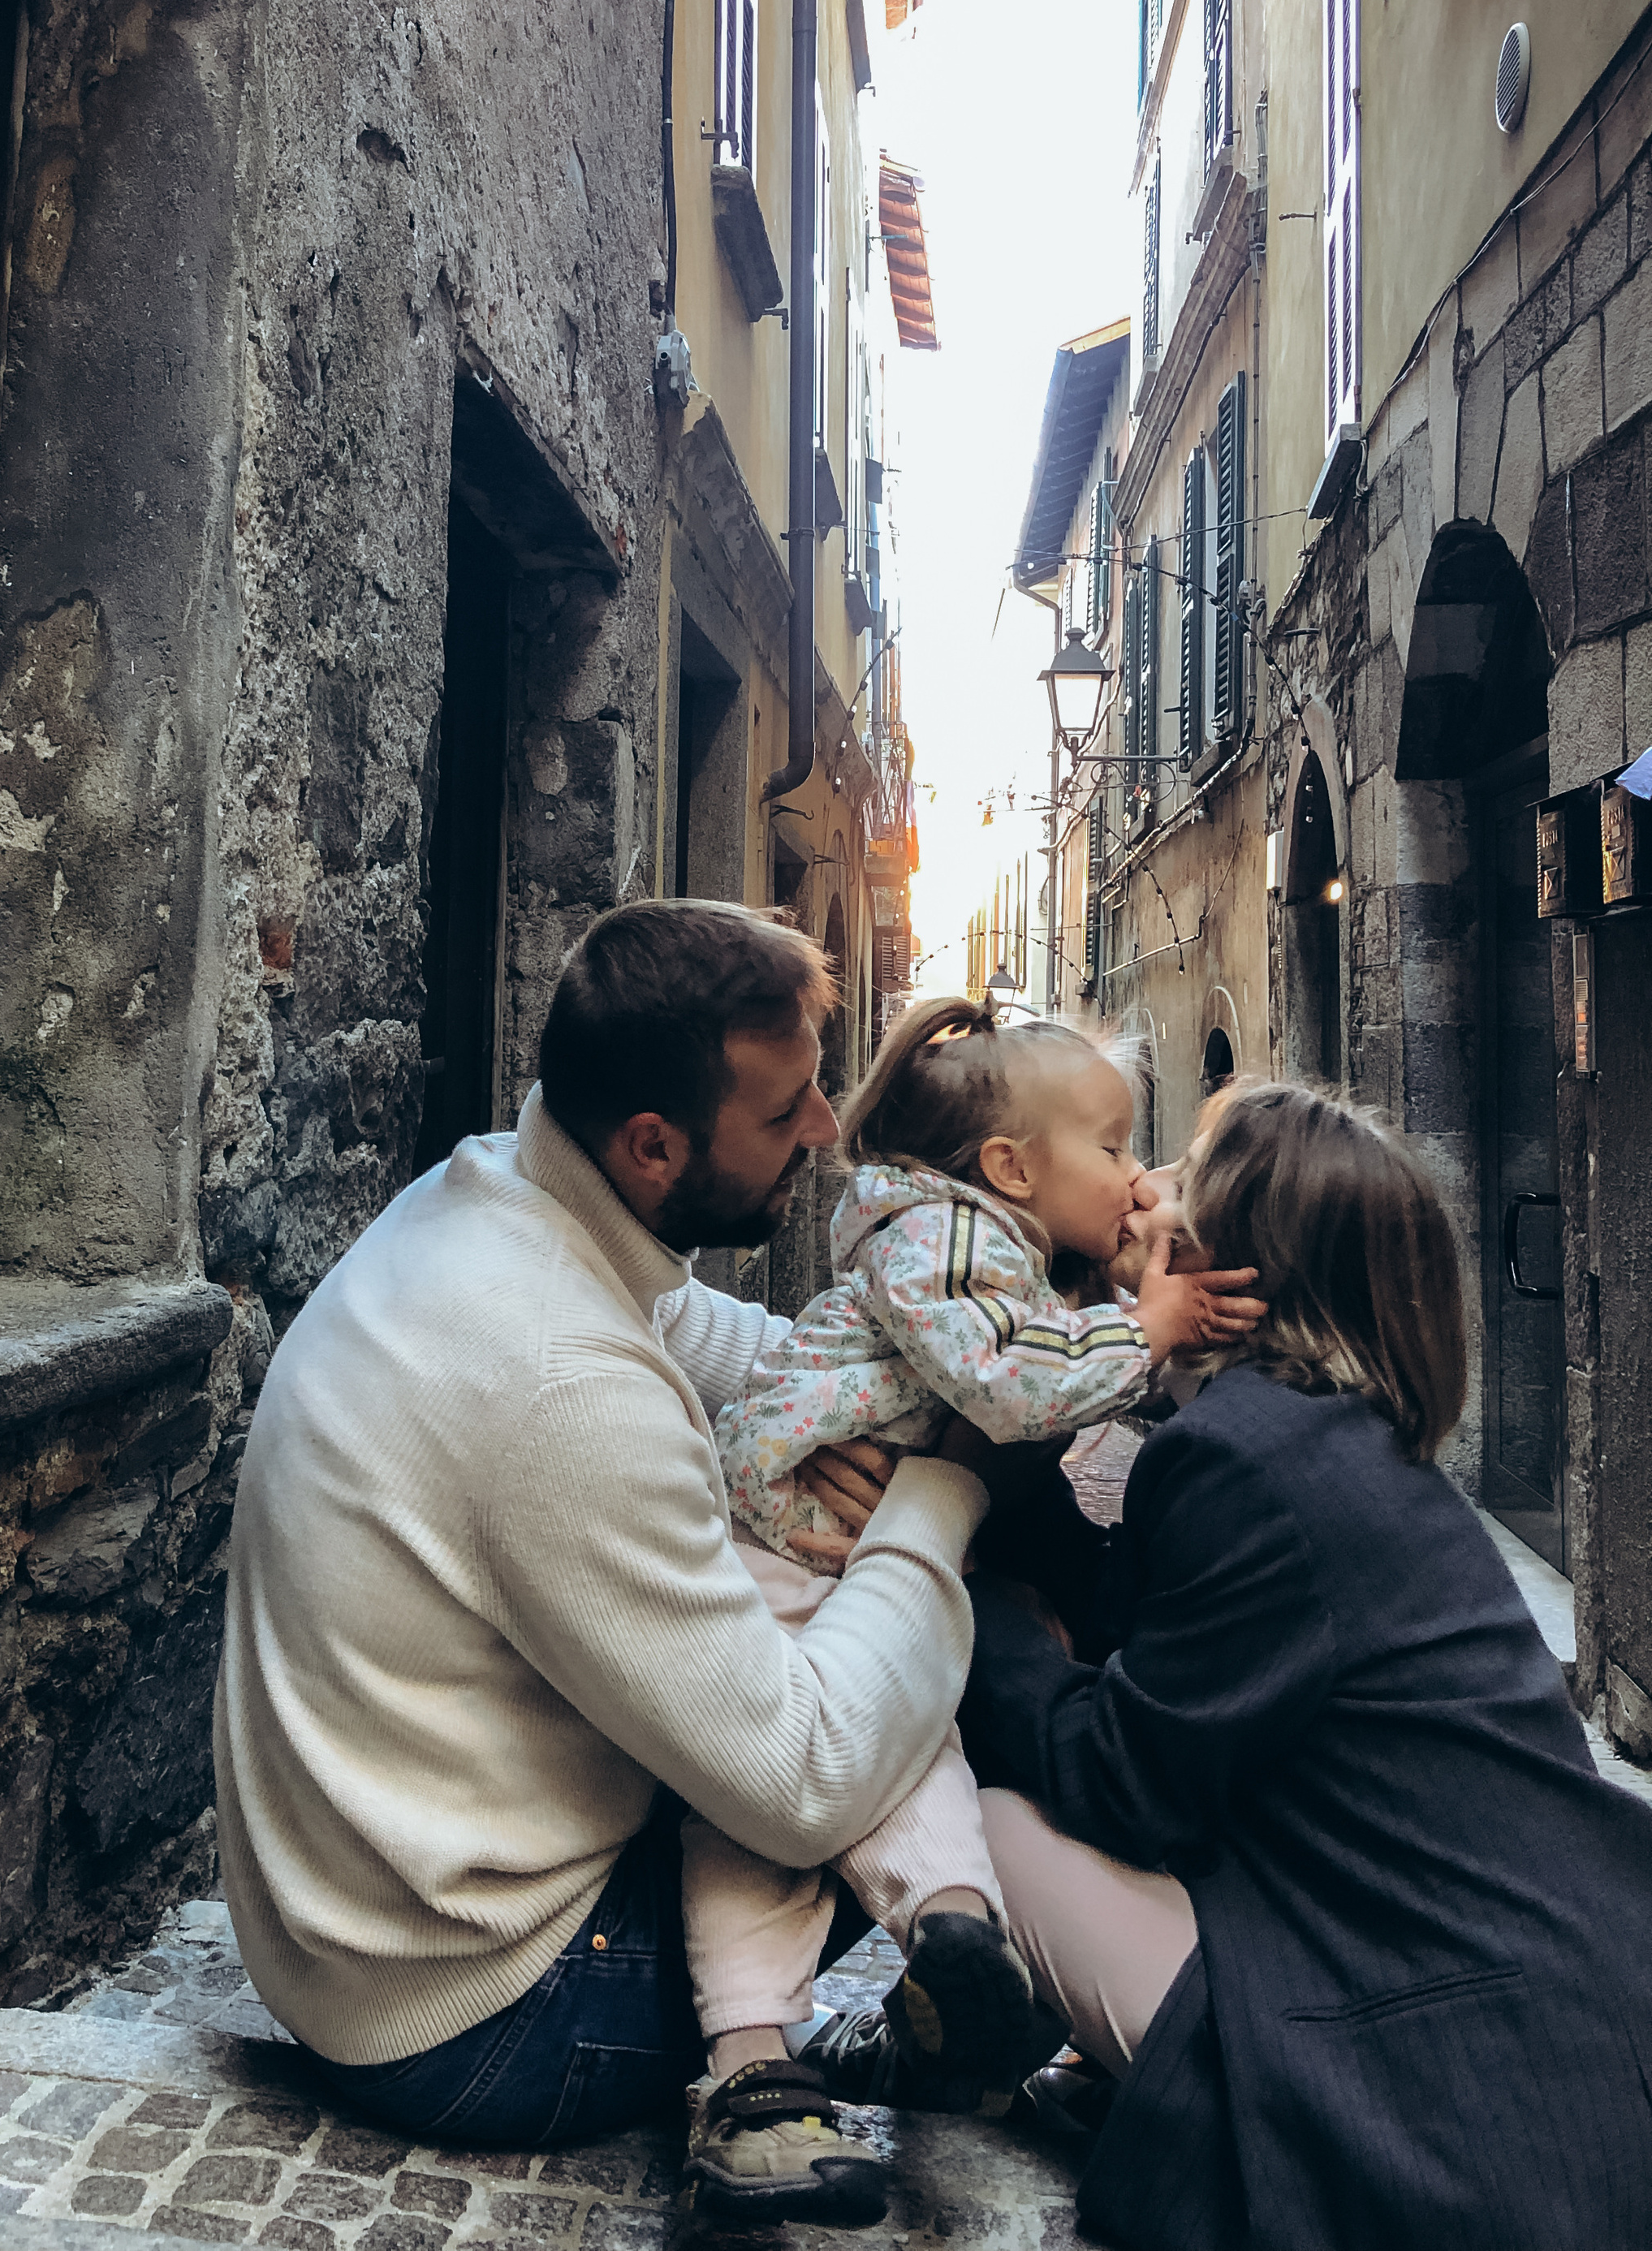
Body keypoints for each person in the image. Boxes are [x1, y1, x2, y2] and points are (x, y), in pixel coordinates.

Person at [214, 902, 996, 2223]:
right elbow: (803, 1780)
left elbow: (713, 1339)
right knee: (958, 1666)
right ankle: (979, 2006)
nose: (824, 1128)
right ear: (653, 1145)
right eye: (785, 1110)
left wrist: (878, 1392)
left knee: (884, 1624)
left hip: (346, 1938)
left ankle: (925, 2003)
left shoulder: (505, 1192)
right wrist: (947, 1486)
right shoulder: (562, 1384)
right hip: (478, 2013)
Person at [944, 1080, 1652, 2251]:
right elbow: (1153, 1638)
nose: (1142, 1184)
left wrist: (950, 1594)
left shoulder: (1246, 1458)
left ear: (1236, 1266)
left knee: (990, 1820)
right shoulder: (1313, 1439)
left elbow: (1117, 1772)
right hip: (1536, 1991)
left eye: (1181, 1173)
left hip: (1445, 2058)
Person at [679, 996, 1261, 2184]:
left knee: (910, 1730)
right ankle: (752, 2040)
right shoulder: (945, 1243)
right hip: (787, 1541)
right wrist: (1149, 1328)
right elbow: (1009, 1384)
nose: (1136, 1177)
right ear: (1012, 1168)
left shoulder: (991, 1250)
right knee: (765, 1787)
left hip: (855, 1543)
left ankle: (955, 1926)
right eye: (1114, 1147)